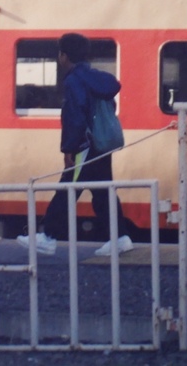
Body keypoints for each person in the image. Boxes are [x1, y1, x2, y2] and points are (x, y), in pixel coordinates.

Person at [17, 33, 133, 257]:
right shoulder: (99, 78)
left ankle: (48, 237)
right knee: (103, 191)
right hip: (101, 144)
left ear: (64, 56)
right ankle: (120, 238)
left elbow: (74, 117)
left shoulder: (73, 81)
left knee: (67, 189)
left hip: (84, 146)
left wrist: (69, 149)